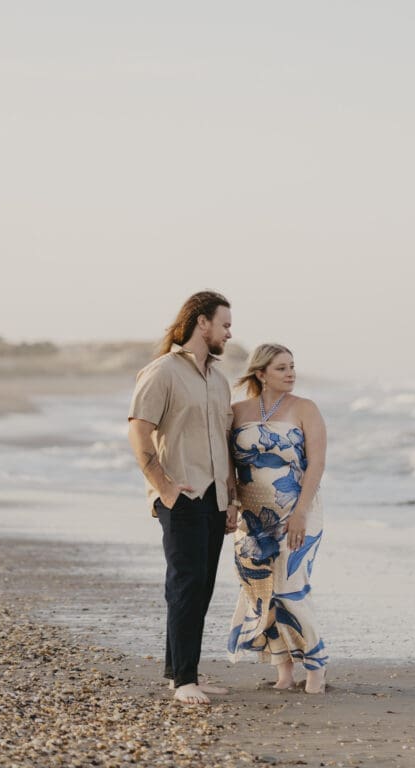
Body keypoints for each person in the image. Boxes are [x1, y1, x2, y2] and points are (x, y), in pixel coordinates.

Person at [128, 290, 238, 705]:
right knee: (185, 585)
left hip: (215, 497)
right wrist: (165, 487)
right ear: (201, 322)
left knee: (202, 587)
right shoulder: (162, 372)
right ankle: (184, 682)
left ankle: (180, 672)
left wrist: (232, 497)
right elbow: (139, 431)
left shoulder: (219, 380)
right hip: (181, 494)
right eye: (224, 324)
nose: (229, 333)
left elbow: (224, 441)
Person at [227, 343, 328, 693]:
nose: (291, 373)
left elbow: (316, 463)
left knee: (289, 589)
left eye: (292, 366)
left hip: (297, 512)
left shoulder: (305, 408)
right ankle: (283, 671)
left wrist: (300, 513)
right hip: (251, 518)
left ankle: (316, 666)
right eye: (282, 368)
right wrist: (231, 504)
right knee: (260, 592)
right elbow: (228, 466)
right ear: (261, 374)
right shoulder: (236, 411)